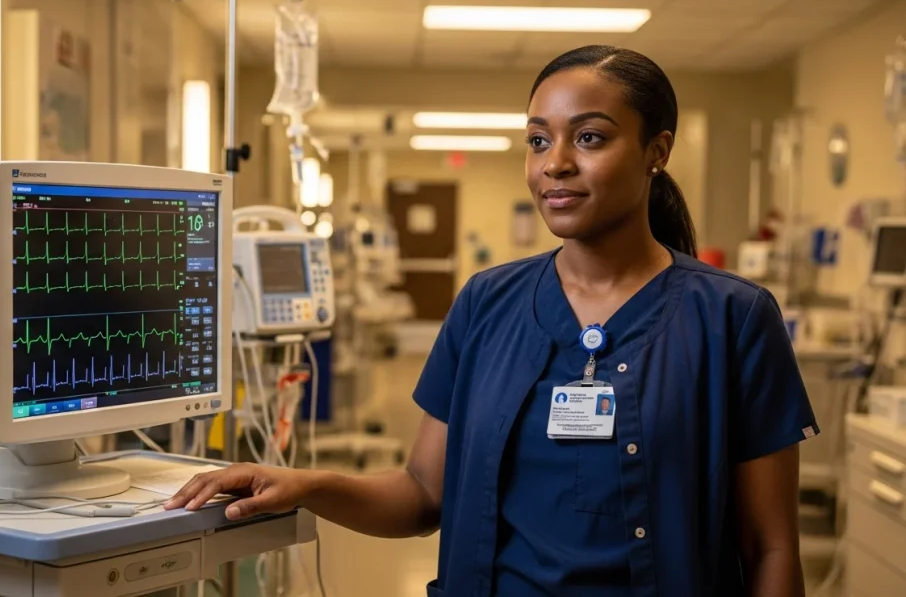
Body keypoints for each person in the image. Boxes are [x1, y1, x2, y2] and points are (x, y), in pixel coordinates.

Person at [166, 45, 817, 597]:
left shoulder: (731, 318)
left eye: (589, 137)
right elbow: (423, 494)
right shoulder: (487, 304)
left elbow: (771, 547)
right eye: (538, 140)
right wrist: (305, 484)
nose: (555, 162)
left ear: (657, 151)